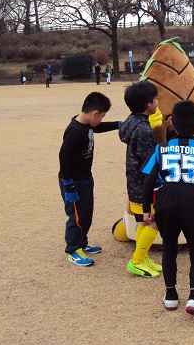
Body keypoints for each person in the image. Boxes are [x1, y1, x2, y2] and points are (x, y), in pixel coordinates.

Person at [142, 100, 194, 320]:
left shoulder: (160, 149)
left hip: (166, 199)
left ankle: (171, 296)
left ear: (172, 125)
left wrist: (146, 210)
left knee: (169, 249)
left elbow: (148, 180)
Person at [58, 92, 120, 266]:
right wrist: (68, 183)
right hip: (73, 181)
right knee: (76, 216)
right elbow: (64, 155)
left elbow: (97, 128)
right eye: (102, 116)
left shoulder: (87, 125)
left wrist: (119, 124)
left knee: (86, 213)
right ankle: (72, 249)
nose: (101, 120)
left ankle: (82, 242)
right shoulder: (75, 131)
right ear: (94, 113)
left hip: (85, 177)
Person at [119, 81, 163, 278]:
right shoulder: (144, 130)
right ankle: (137, 261)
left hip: (134, 184)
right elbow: (149, 164)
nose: (157, 102)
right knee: (154, 221)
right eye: (155, 99)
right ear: (148, 104)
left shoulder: (132, 120)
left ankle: (141, 256)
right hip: (145, 186)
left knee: (145, 222)